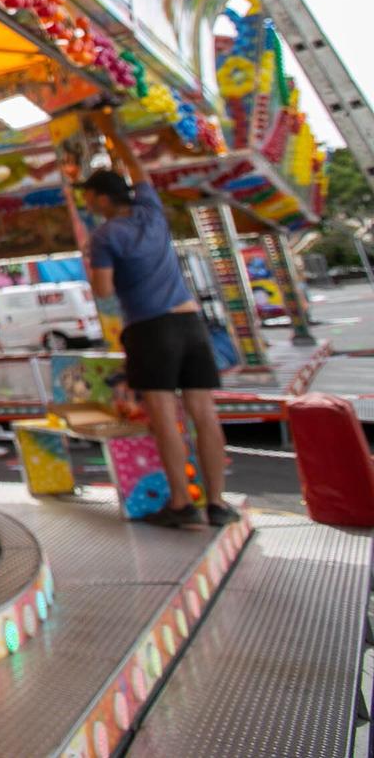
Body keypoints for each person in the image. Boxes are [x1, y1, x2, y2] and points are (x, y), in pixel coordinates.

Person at [77, 109, 235, 529]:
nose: (88, 205)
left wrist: (90, 267)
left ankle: (182, 503)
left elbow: (105, 292)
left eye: (89, 198)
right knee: (204, 413)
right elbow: (136, 166)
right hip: (191, 323)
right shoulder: (151, 208)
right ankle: (217, 503)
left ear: (102, 199)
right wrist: (111, 130)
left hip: (149, 328)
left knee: (166, 418)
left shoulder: (105, 236)